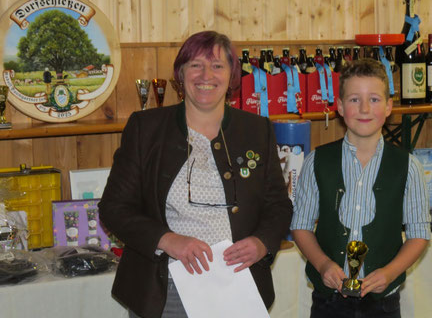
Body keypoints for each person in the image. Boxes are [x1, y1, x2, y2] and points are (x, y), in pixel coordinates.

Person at [99, 31, 292, 318]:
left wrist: (262, 242)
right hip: (166, 288)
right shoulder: (146, 128)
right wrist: (167, 240)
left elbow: (278, 205)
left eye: (217, 66)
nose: (206, 75)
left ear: (232, 75)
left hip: (238, 284)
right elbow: (114, 208)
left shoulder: (256, 129)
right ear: (181, 73)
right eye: (195, 65)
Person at [291, 58, 430, 318]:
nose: (364, 108)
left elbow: (419, 234)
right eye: (354, 99)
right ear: (340, 107)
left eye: (374, 99)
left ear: (388, 106)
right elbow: (301, 226)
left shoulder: (408, 166)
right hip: (328, 301)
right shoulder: (316, 161)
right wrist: (323, 264)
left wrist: (389, 273)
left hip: (383, 303)